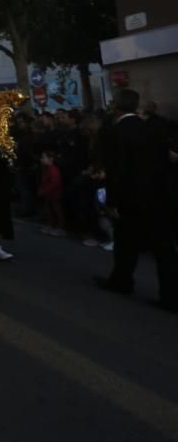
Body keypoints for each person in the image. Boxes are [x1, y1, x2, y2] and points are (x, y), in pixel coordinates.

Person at [96, 88, 177, 311]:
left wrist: (112, 202)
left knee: (125, 243)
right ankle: (171, 296)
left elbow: (116, 170)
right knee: (164, 249)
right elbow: (167, 159)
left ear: (116, 106)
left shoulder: (115, 133)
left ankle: (122, 281)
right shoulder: (152, 128)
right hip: (159, 196)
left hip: (131, 198)